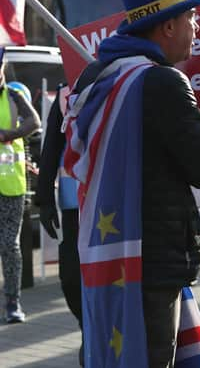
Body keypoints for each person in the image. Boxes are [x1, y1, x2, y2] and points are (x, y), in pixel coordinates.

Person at [65, 0, 200, 366]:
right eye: (191, 17)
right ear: (167, 26)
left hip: (111, 248)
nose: (196, 27)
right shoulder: (162, 82)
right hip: (156, 258)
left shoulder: (98, 78)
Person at [36, 83, 84, 365]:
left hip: (119, 207)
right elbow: (52, 145)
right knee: (72, 279)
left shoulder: (131, 76)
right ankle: (88, 330)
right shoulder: (67, 93)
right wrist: (44, 197)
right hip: (74, 206)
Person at [0, 50, 41, 323]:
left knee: (9, 245)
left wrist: (8, 134)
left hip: (10, 183)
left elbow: (34, 121)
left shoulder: (13, 97)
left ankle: (13, 302)